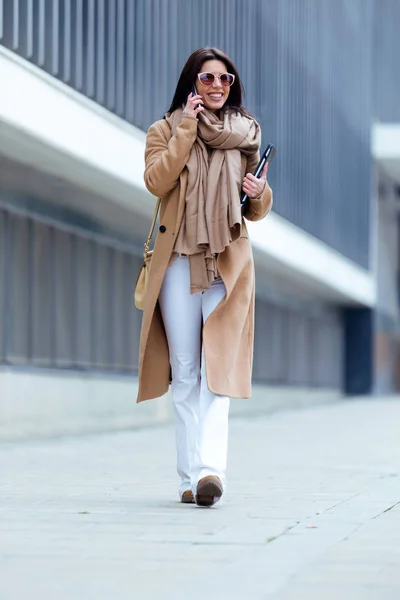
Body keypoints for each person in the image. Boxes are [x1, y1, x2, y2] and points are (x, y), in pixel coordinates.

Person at [137, 47, 273, 507]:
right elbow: (157, 181)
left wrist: (259, 193)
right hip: (176, 262)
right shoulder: (165, 129)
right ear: (192, 83)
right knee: (187, 371)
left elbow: (254, 207)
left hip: (226, 265)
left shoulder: (245, 136)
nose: (217, 86)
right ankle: (187, 476)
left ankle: (210, 471)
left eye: (225, 79)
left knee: (218, 369)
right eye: (208, 78)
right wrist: (186, 130)